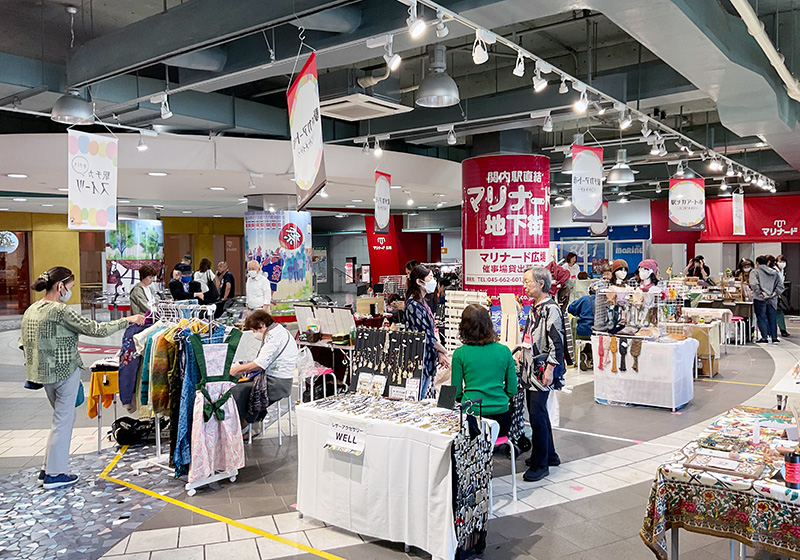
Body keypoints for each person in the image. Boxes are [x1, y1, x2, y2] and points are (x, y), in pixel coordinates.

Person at [19, 266, 144, 489]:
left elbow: (23, 343)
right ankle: (55, 475)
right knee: (63, 421)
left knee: (58, 420)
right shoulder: (61, 311)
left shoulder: (32, 309)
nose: (70, 291)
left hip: (42, 373)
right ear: (60, 286)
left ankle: (47, 468)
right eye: (70, 287)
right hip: (64, 371)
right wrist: (128, 320)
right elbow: (95, 329)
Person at [520, 266, 564, 482]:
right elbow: (530, 335)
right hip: (530, 367)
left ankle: (540, 464)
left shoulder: (551, 309)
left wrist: (550, 368)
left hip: (540, 369)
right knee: (539, 413)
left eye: (528, 282)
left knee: (536, 414)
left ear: (541, 284)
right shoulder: (535, 307)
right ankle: (550, 454)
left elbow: (557, 341)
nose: (525, 285)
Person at [451, 304, 517, 437]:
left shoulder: (460, 354)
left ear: (464, 327)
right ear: (489, 324)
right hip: (501, 419)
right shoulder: (504, 351)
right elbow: (512, 389)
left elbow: (456, 392)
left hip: (472, 418)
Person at [230, 310, 298, 426]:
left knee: (237, 390)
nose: (254, 334)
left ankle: (243, 424)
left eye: (254, 330)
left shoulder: (274, 336)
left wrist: (236, 369)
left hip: (278, 383)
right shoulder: (277, 330)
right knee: (243, 386)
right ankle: (248, 421)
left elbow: (260, 363)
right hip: (274, 377)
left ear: (261, 325)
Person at [405, 265, 449, 398]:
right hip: (419, 359)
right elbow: (426, 335)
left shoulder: (423, 302)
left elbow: (432, 331)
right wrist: (445, 351)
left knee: (423, 395)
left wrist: (439, 352)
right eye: (430, 277)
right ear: (420, 282)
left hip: (428, 358)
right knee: (417, 397)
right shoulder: (413, 305)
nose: (433, 281)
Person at [751, 255, 783, 343]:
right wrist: (774, 293)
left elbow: (754, 284)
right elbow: (780, 286)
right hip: (772, 299)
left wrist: (760, 293)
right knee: (772, 317)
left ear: (757, 263)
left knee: (761, 317)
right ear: (767, 262)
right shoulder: (774, 272)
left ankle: (764, 337)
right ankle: (774, 337)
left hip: (760, 298)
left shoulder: (755, 272)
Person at [776, 255, 791, 338]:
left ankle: (782, 329)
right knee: (777, 312)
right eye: (780, 261)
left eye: (783, 262)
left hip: (780, 293)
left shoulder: (783, 271)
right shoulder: (774, 271)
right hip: (775, 293)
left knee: (779, 312)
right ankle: (782, 330)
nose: (782, 263)